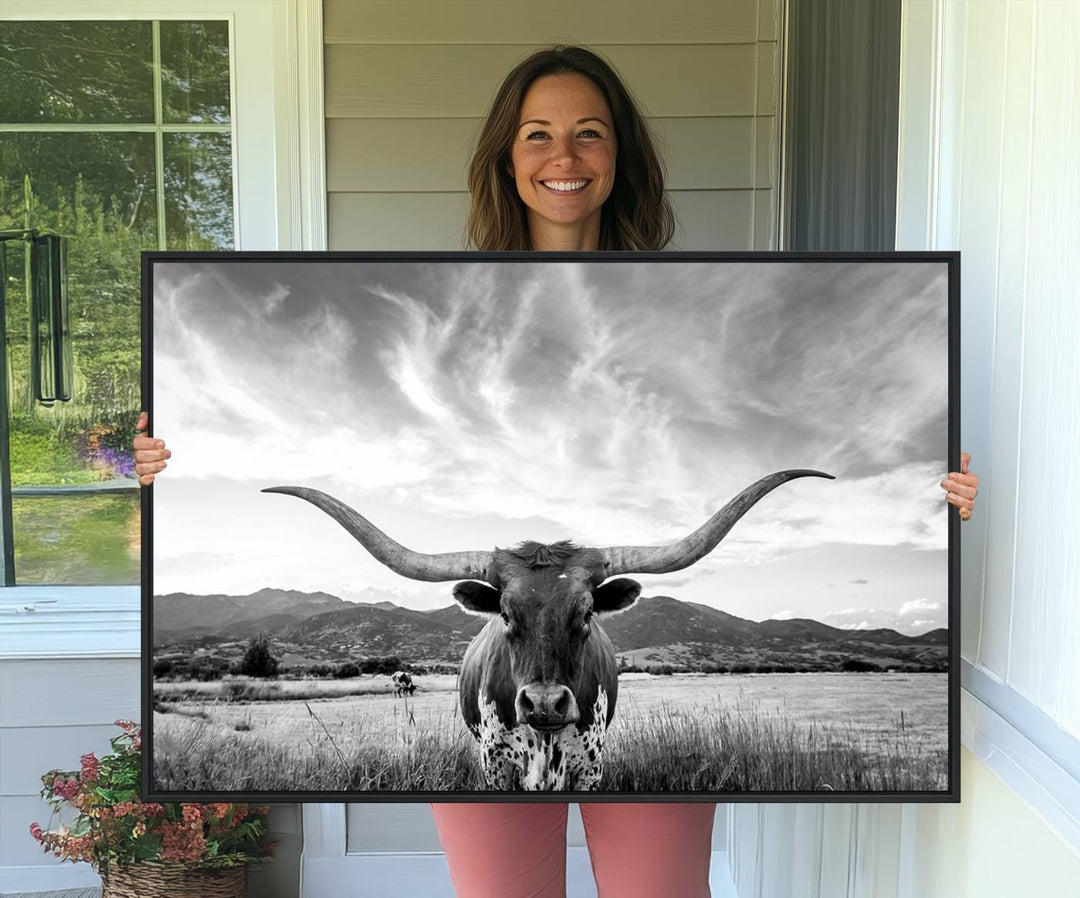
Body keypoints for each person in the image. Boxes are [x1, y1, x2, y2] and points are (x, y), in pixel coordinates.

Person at [133, 45, 979, 898]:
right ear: (507, 156)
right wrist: (161, 463)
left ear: (621, 157)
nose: (564, 157)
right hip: (500, 698)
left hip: (585, 682)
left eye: (590, 134)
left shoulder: (704, 300)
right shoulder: (436, 302)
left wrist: (937, 496)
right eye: (537, 134)